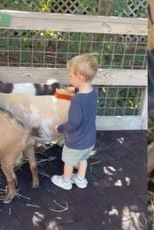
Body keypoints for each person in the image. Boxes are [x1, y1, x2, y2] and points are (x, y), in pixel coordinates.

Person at [51, 53, 98, 190]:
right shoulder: (93, 92)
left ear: (80, 78)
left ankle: (66, 181)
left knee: (69, 162)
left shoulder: (77, 100)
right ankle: (80, 179)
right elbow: (84, 93)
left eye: (70, 75)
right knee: (83, 159)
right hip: (90, 140)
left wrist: (60, 128)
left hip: (76, 141)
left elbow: (74, 123)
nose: (68, 77)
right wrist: (75, 89)